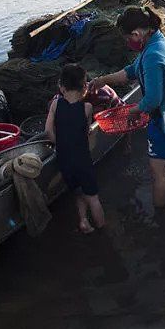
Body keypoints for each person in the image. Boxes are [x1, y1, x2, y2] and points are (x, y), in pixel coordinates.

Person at [89, 6, 165, 211]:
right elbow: (131, 71)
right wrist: (103, 80)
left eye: (128, 39)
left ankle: (160, 217)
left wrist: (126, 112)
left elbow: (153, 100)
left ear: (136, 34)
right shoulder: (157, 40)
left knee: (159, 174)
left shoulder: (153, 55)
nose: (128, 44)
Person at [44, 63, 105, 234]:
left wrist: (61, 145)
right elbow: (85, 131)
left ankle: (84, 221)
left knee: (78, 193)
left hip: (64, 160)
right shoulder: (87, 108)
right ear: (84, 87)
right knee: (93, 198)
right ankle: (103, 234)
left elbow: (48, 131)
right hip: (82, 161)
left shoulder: (55, 104)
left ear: (61, 87)